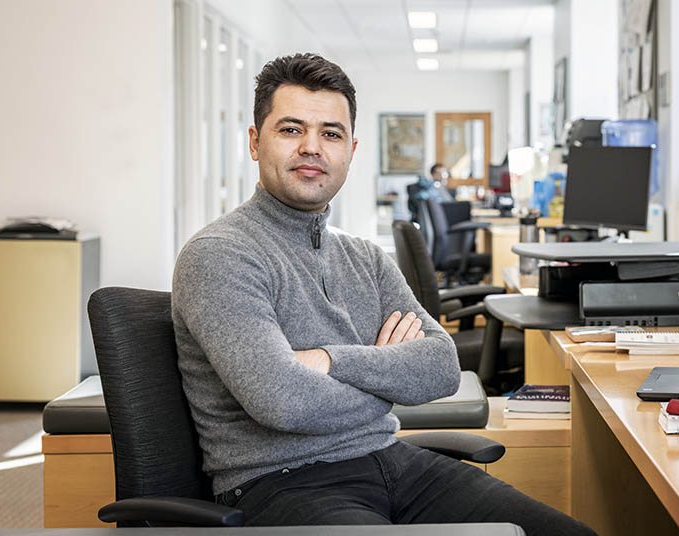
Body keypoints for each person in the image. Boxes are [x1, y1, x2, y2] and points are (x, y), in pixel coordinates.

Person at [171, 52, 593, 535]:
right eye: (291, 130)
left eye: (330, 133)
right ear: (254, 141)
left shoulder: (364, 258)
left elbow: (440, 367)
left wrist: (330, 361)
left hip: (393, 461)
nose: (312, 147)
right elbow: (282, 399)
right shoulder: (221, 254)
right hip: (281, 483)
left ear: (350, 149)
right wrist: (387, 380)